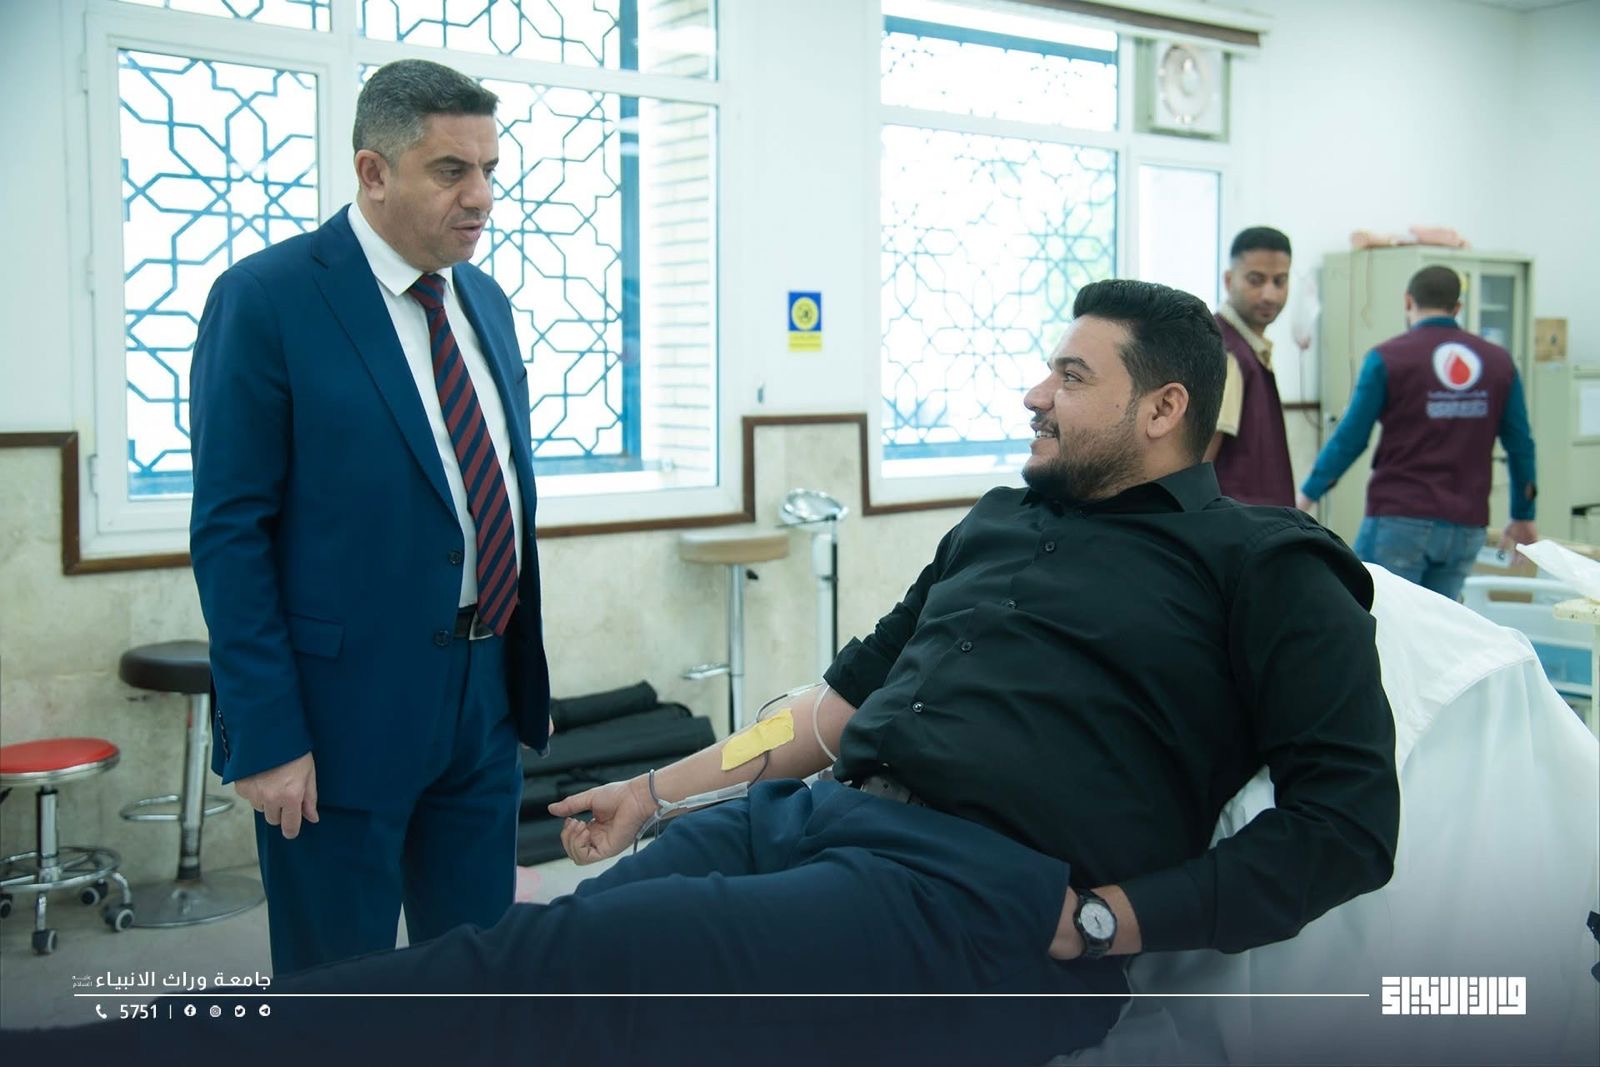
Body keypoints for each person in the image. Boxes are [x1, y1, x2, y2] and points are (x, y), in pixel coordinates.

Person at [66, 279, 1392, 1065]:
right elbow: (830, 711)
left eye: (1069, 373)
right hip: (800, 820)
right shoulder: (1001, 521)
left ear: (1162, 408)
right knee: (516, 954)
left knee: (564, 969)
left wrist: (1108, 922)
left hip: (971, 893)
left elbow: (1345, 826)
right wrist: (662, 787)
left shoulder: (1266, 563)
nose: (1033, 392)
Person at [189, 59, 551, 975]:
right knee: (337, 989)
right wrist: (267, 733)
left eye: (490, 169)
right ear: (373, 171)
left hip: (482, 696)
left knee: (476, 969)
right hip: (337, 716)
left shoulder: (485, 301)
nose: (482, 196)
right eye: (451, 170)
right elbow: (231, 532)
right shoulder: (267, 299)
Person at [1295, 265, 1538, 601]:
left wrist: (1307, 495)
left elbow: (1350, 438)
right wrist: (1523, 514)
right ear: (1457, 307)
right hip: (1466, 525)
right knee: (1438, 624)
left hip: (1399, 519)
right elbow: (1520, 444)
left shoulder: (1387, 358)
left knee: (1377, 618)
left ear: (1408, 301)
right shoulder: (1499, 362)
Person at [1206, 226, 1296, 505]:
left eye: (1280, 281)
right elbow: (1199, 463)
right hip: (1232, 523)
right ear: (1228, 280)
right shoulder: (1227, 353)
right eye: (1256, 280)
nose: (1270, 295)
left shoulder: (1248, 349)